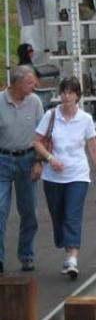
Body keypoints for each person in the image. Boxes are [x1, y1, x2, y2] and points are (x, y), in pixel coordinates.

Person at [31, 77, 96, 279]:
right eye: (64, 92)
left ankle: (72, 258)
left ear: (77, 96)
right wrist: (49, 158)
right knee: (58, 217)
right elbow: (37, 142)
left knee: (72, 215)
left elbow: (93, 147)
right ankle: (65, 245)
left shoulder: (86, 119)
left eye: (71, 93)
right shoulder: (51, 115)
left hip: (77, 175)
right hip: (52, 177)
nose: (66, 96)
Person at [0, 66, 43, 275]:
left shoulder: (34, 102)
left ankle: (26, 255)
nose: (34, 85)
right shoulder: (0, 101)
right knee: (0, 210)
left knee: (29, 212)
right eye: (29, 82)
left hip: (28, 159)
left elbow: (43, 135)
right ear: (16, 84)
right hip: (3, 160)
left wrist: (39, 162)